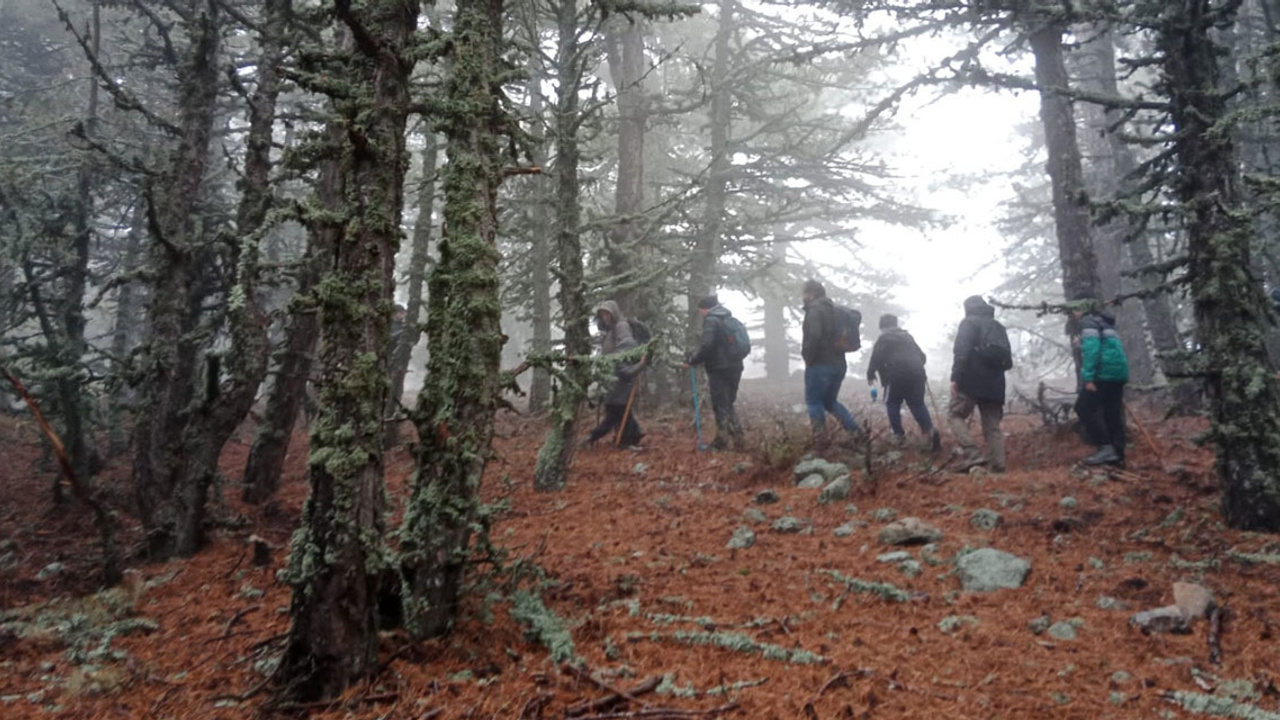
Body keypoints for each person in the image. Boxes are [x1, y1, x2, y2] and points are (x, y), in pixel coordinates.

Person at [948, 295, 1009, 472]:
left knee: (954, 415)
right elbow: (1008, 361)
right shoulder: (998, 326)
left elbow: (961, 352)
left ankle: (973, 454)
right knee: (992, 426)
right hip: (996, 383)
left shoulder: (968, 323)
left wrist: (955, 378)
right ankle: (999, 466)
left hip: (970, 380)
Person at [867, 314, 941, 452]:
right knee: (917, 404)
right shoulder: (908, 337)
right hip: (917, 375)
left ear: (882, 326)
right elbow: (922, 357)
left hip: (895, 376)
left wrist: (870, 373)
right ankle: (930, 431)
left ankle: (898, 434)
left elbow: (876, 358)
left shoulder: (884, 338)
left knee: (892, 403)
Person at [1071, 294, 1130, 467]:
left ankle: (1105, 447)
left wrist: (1088, 378)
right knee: (1112, 413)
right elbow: (1105, 347)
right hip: (1118, 373)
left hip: (1102, 374)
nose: (1073, 314)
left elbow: (1093, 351)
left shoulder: (1088, 323)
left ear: (1082, 309)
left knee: (1083, 408)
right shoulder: (1105, 322)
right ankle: (1118, 454)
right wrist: (1081, 345)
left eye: (1075, 309)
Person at [801, 279, 862, 446]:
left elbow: (814, 336)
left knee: (814, 401)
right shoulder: (837, 311)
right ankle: (856, 432)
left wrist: (808, 358)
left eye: (805, 293)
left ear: (811, 294)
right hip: (839, 364)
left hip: (820, 364)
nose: (803, 297)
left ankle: (820, 440)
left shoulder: (815, 311)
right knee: (830, 401)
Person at [685, 295, 746, 451]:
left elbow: (707, 345)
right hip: (735, 367)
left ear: (705, 309)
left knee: (720, 405)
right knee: (728, 403)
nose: (700, 314)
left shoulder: (711, 320)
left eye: (700, 311)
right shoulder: (728, 318)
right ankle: (738, 439)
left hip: (720, 369)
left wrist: (692, 359)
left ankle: (722, 442)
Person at [583, 300, 645, 448]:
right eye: (603, 314)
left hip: (620, 375)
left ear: (614, 313)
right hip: (613, 376)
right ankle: (633, 435)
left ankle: (594, 437)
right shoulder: (611, 330)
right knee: (620, 410)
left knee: (614, 411)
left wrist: (618, 364)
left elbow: (627, 345)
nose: (605, 317)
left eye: (607, 313)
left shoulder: (621, 326)